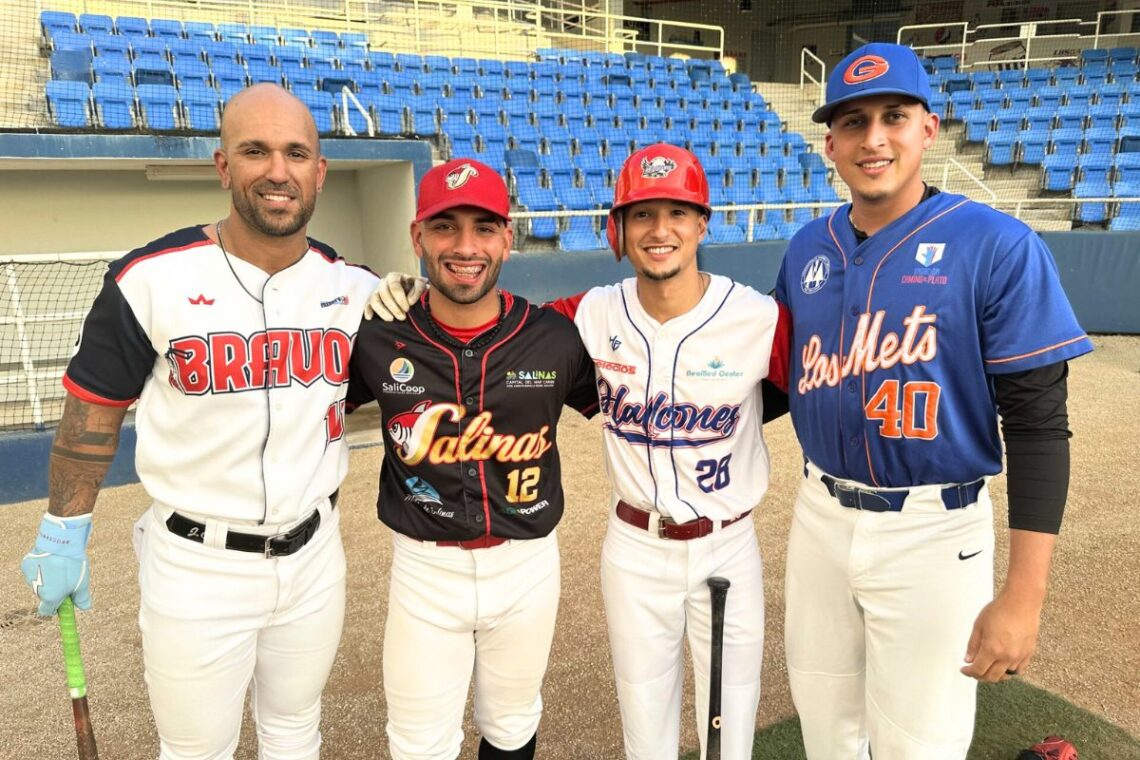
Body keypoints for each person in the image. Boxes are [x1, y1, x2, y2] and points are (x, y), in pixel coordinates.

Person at [371, 144, 791, 760]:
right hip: (635, 545)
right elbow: (495, 323)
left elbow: (814, 395)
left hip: (727, 542)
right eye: (642, 214)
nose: (660, 230)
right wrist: (405, 292)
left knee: (730, 730)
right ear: (617, 229)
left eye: (677, 212)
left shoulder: (759, 318)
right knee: (644, 728)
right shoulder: (589, 315)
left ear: (703, 224)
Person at [20, 83, 379, 760]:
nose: (278, 170)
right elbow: (91, 417)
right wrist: (63, 531)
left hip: (314, 556)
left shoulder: (357, 289)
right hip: (196, 566)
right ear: (223, 165)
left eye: (296, 153)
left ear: (320, 171)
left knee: (295, 732)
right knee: (194, 751)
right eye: (255, 151)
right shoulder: (148, 279)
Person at [775, 43, 1094, 758]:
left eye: (894, 116)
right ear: (830, 145)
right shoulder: (806, 249)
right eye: (853, 122)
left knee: (919, 744)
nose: (874, 138)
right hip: (818, 519)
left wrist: (1024, 597)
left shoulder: (998, 245)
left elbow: (1039, 426)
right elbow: (772, 379)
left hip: (934, 530)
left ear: (928, 128)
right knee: (825, 730)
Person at [345, 157, 598, 760]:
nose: (465, 246)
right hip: (424, 569)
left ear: (507, 239)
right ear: (417, 237)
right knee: (417, 743)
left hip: (527, 564)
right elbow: (297, 410)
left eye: (484, 227)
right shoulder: (376, 336)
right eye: (445, 226)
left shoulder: (554, 339)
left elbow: (637, 404)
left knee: (512, 725)